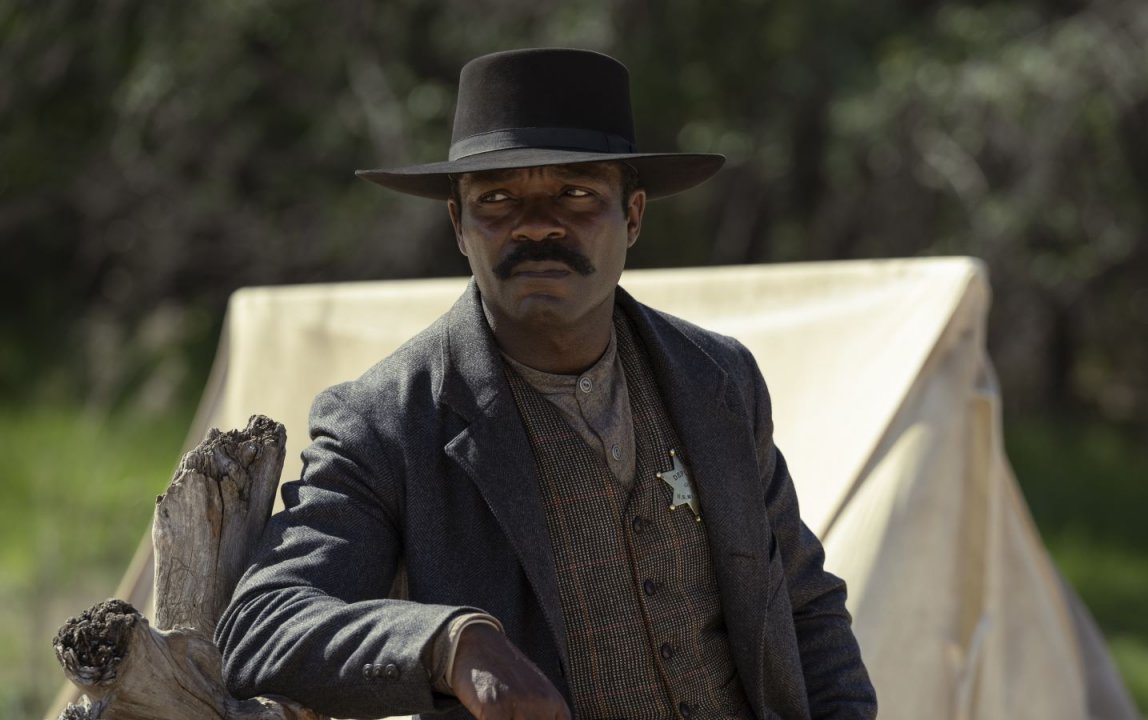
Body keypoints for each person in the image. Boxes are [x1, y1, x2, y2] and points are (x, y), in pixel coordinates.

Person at [215, 47, 877, 720]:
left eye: (576, 193)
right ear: (460, 226)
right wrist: (449, 644)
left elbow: (804, 605)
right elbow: (261, 627)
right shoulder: (389, 422)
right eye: (497, 199)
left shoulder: (718, 378)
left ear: (634, 216)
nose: (536, 224)